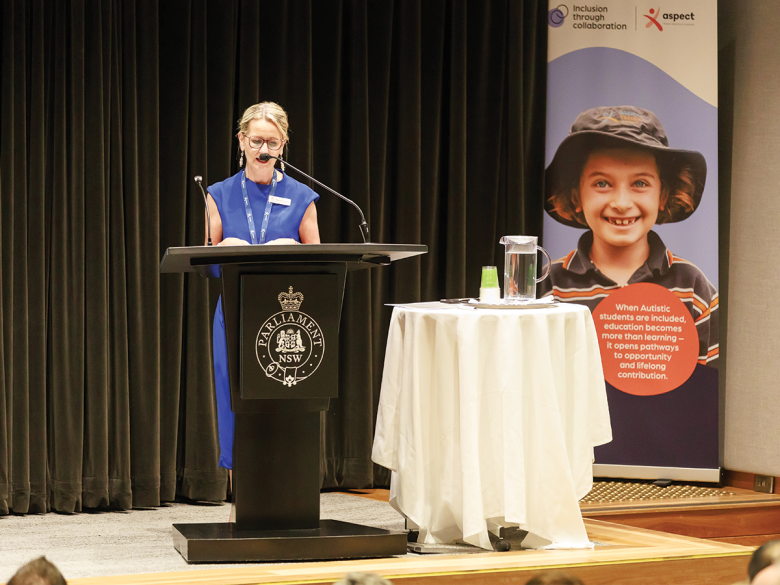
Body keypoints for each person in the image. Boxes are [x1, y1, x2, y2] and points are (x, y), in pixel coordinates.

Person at [539, 105, 718, 369]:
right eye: (602, 183)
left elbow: (710, 389)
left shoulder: (693, 288)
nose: (622, 203)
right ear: (576, 195)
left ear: (663, 195)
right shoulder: (548, 287)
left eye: (640, 183)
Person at [207, 102, 321, 475]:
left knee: (281, 403)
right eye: (256, 140)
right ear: (241, 140)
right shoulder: (218, 195)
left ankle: (287, 489)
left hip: (289, 319)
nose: (264, 150)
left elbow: (320, 265)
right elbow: (207, 263)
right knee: (233, 399)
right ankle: (238, 497)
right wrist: (224, 250)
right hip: (236, 314)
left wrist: (294, 252)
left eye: (272, 142)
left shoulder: (303, 197)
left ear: (284, 144)